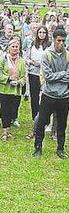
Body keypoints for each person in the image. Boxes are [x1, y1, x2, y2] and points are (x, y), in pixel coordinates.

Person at [33, 29, 69, 158]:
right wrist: (63, 74)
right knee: (42, 122)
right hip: (48, 94)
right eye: (59, 40)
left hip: (64, 96)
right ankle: (37, 147)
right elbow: (47, 76)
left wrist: (57, 76)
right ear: (53, 39)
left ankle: (60, 149)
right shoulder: (46, 54)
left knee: (62, 124)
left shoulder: (68, 55)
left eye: (63, 41)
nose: (61, 43)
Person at [0, 38, 26, 141]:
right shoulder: (3, 59)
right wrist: (8, 79)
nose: (14, 48)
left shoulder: (21, 61)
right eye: (12, 46)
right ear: (8, 48)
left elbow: (24, 77)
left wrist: (19, 82)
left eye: (16, 46)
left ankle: (9, 129)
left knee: (13, 110)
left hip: (16, 91)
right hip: (4, 90)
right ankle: (5, 131)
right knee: (5, 110)